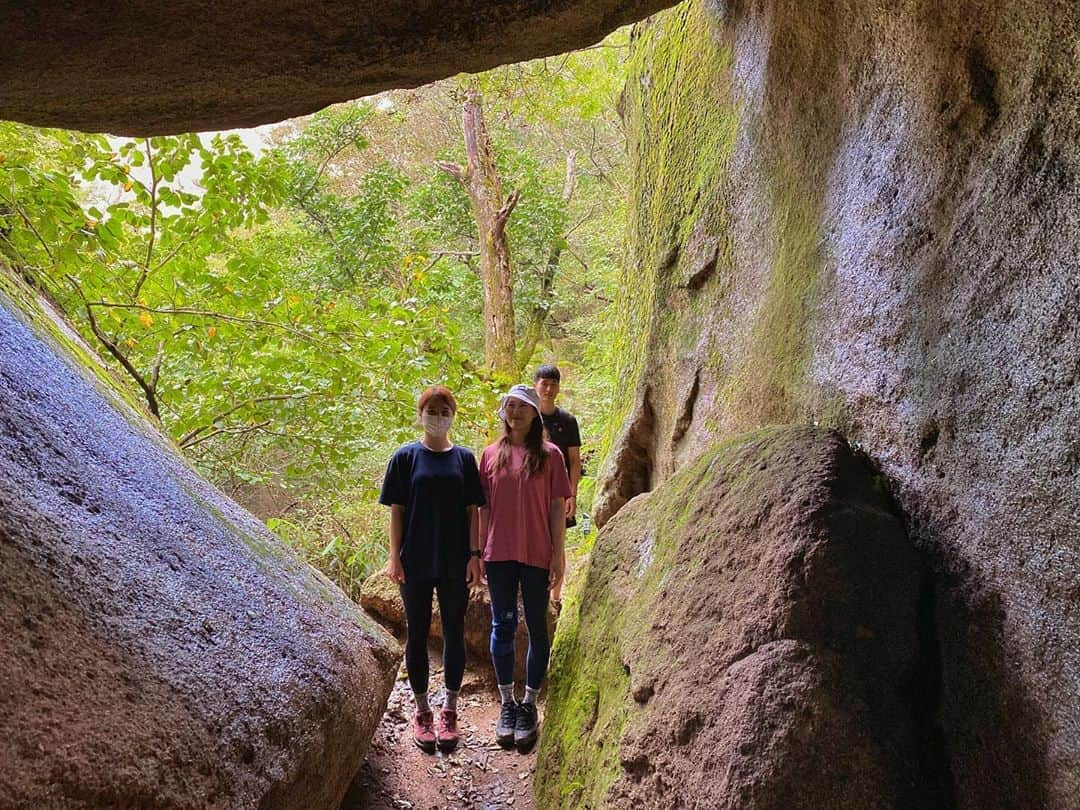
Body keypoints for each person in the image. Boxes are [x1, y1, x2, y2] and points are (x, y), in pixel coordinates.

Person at [379, 385, 485, 754]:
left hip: (456, 560)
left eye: (444, 411)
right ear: (420, 414)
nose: (438, 417)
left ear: (452, 416)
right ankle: (422, 711)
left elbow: (474, 510)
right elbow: (397, 511)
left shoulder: (464, 460)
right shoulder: (405, 458)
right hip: (416, 560)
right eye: (432, 410)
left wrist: (475, 554)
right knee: (418, 632)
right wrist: (395, 557)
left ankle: (450, 710)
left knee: (455, 632)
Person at [479, 384, 571, 753]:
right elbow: (482, 508)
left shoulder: (551, 456)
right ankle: (507, 703)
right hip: (499, 553)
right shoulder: (489, 455)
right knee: (502, 624)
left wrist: (559, 555)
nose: (515, 412)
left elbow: (555, 509)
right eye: (510, 406)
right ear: (504, 412)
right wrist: (477, 551)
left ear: (535, 414)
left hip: (536, 552)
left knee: (536, 624)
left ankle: (529, 703)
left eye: (523, 407)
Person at [533, 364, 582, 600]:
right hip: (534, 491)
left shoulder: (568, 421)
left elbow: (574, 461)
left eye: (553, 384)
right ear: (536, 385)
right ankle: (535, 592)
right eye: (545, 383)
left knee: (558, 542)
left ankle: (556, 597)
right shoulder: (528, 416)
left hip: (559, 492)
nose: (549, 388)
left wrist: (572, 494)